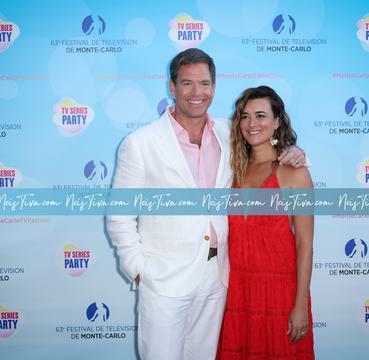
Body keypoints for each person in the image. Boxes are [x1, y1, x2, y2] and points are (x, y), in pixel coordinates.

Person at [107, 49, 306, 360]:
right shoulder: (140, 144)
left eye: (204, 83)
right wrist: (138, 270)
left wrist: (295, 151)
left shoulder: (230, 135)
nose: (196, 93)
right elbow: (119, 217)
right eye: (187, 83)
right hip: (164, 282)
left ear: (214, 87)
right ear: (172, 88)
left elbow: (269, 146)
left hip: (216, 281)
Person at [218, 86, 315, 359]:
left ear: (277, 122)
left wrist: (299, 306)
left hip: (280, 295)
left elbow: (305, 244)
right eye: (245, 117)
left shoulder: (293, 173)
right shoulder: (231, 171)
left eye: (261, 115)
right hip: (237, 293)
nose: (252, 124)